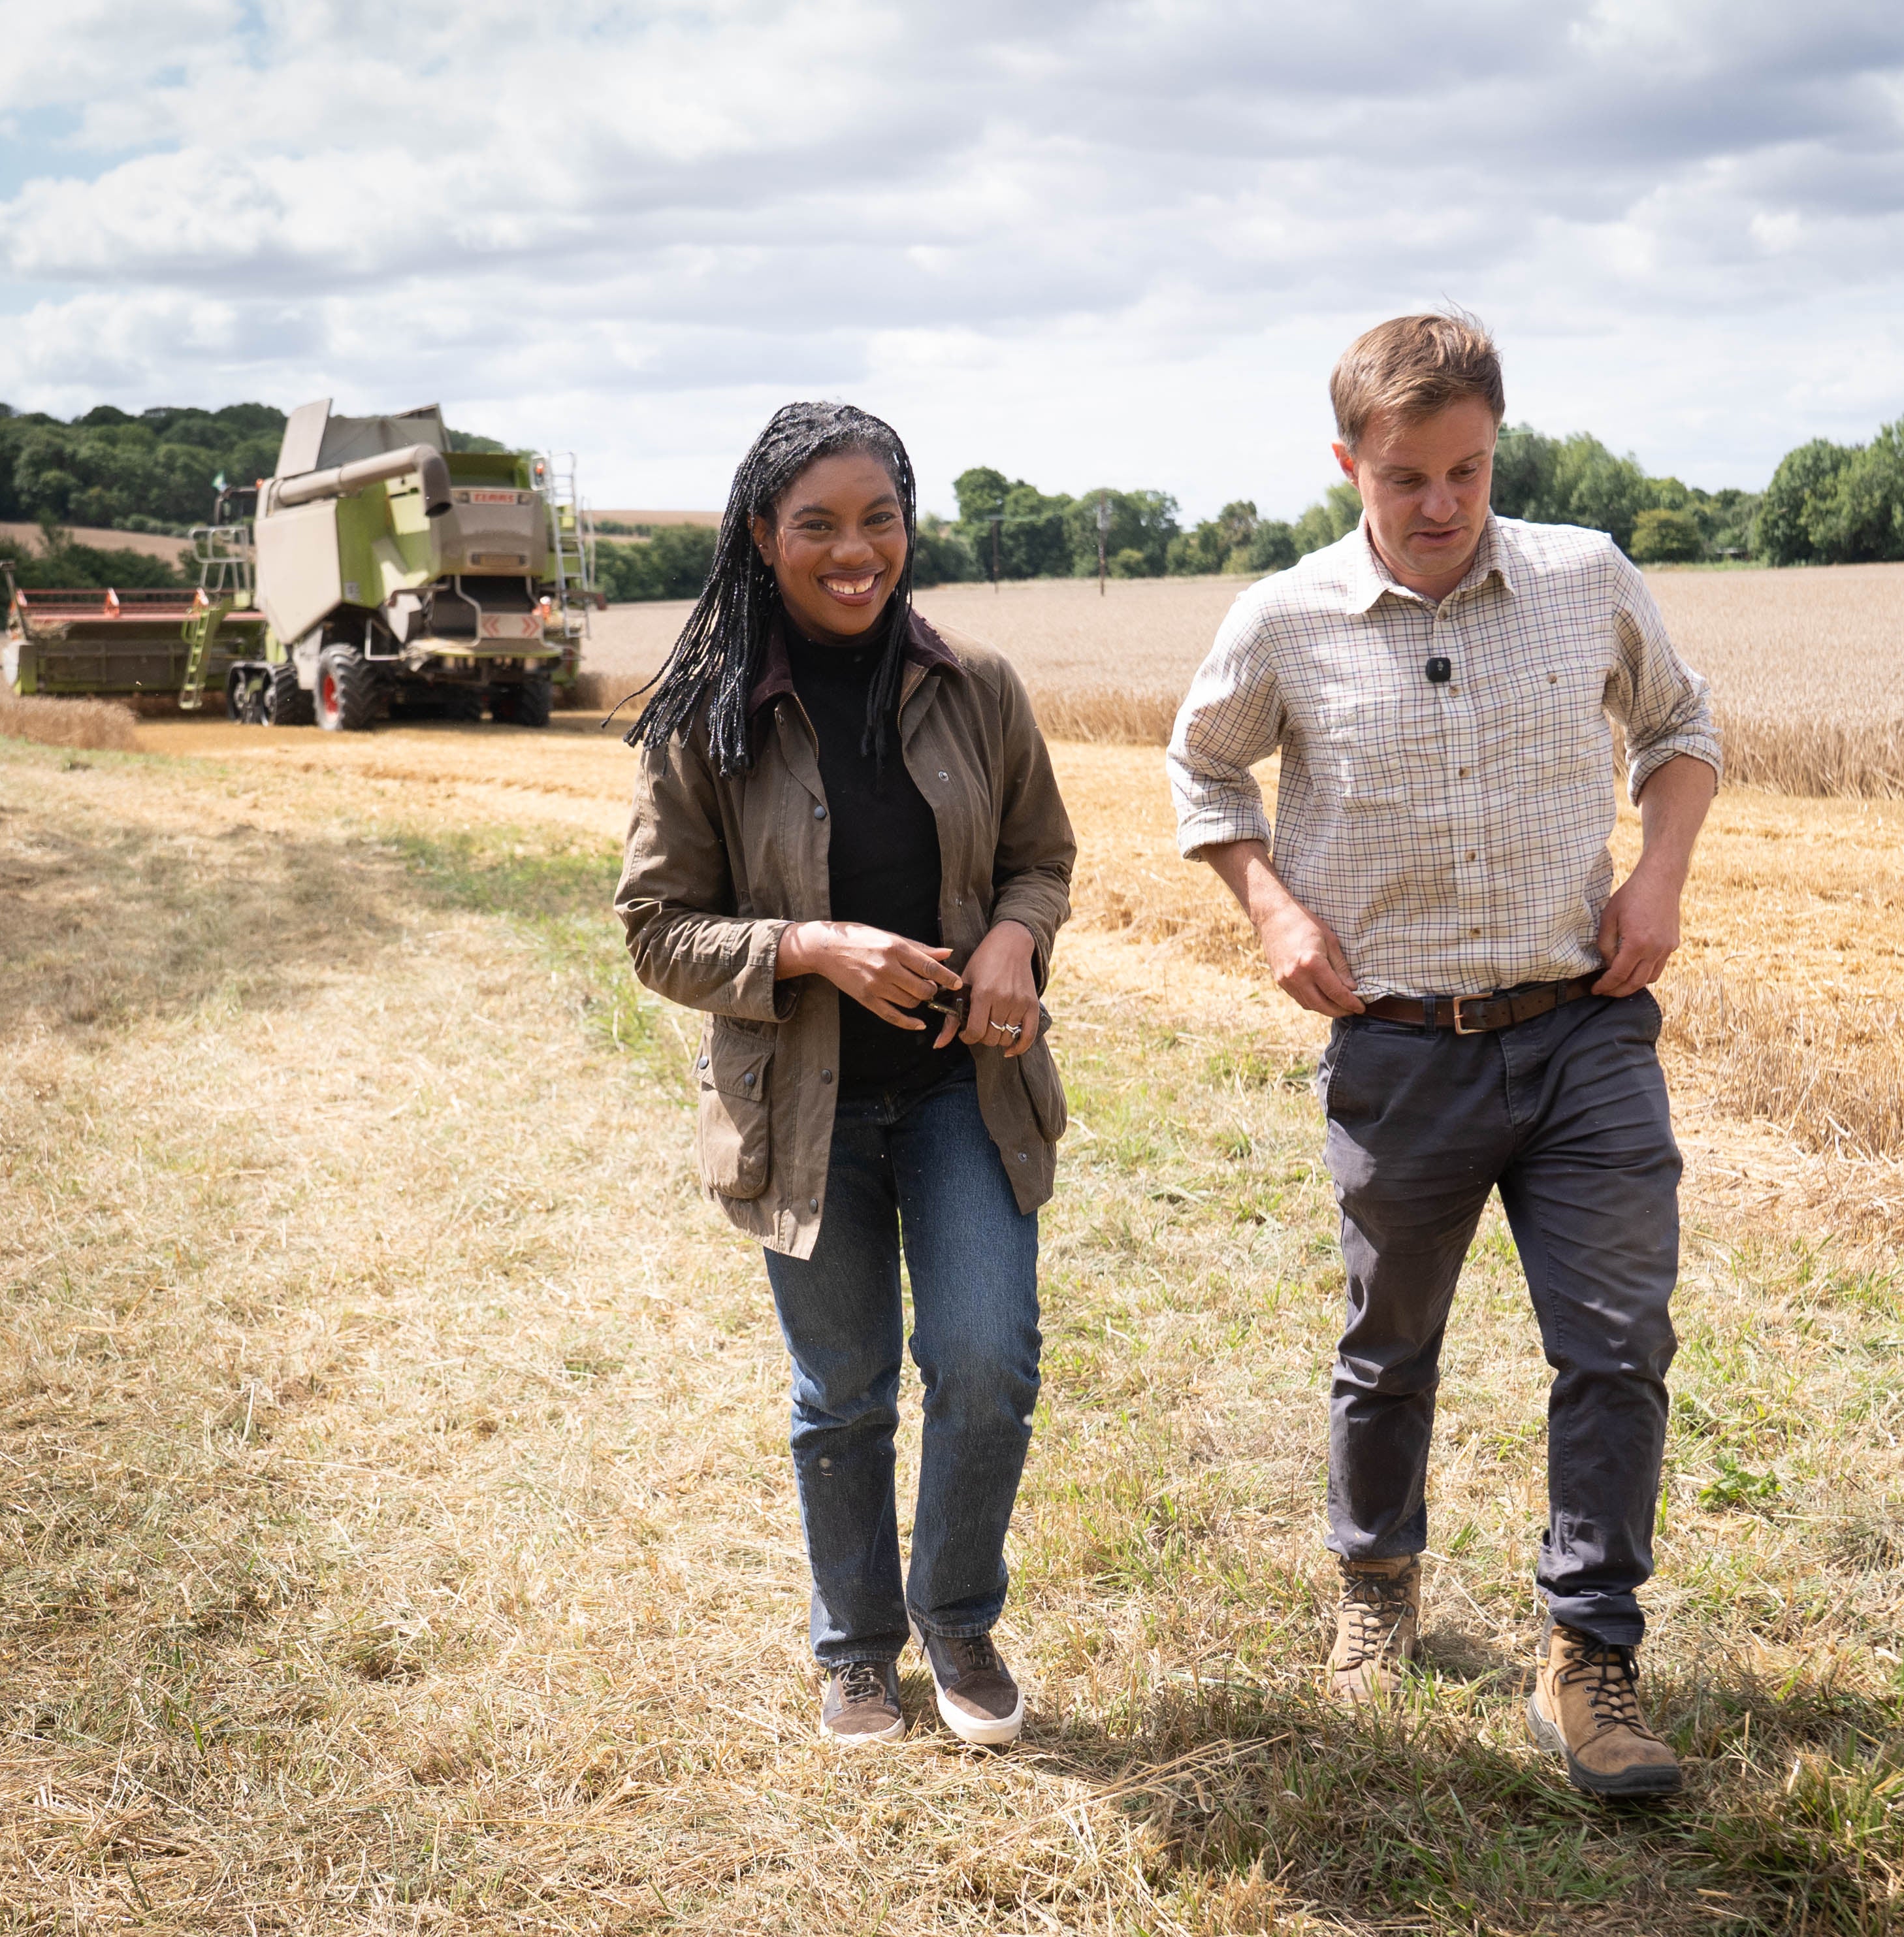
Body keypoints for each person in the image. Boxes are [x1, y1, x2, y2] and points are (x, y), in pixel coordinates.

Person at [1167, 314, 1718, 1799]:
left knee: (1617, 1342)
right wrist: (1269, 905)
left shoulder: (1584, 577)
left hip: (1582, 1029)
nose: (1440, 504)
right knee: (1386, 1343)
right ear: (1347, 463)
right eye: (1405, 476)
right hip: (1399, 1048)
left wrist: (1658, 874)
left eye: (1467, 470)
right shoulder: (1284, 619)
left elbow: (1680, 725)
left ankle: (1588, 1653)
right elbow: (1199, 766)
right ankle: (1376, 1586)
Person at [618, 402, 1075, 1749]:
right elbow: (656, 931)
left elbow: (1043, 856)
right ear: (763, 538)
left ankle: (958, 1620)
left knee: (986, 1362)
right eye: (816, 523)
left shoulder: (976, 687)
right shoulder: (705, 718)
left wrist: (1011, 937)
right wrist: (810, 946)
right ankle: (858, 1650)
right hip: (804, 1111)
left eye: (877, 518)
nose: (853, 549)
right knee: (848, 1392)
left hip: (961, 1092)